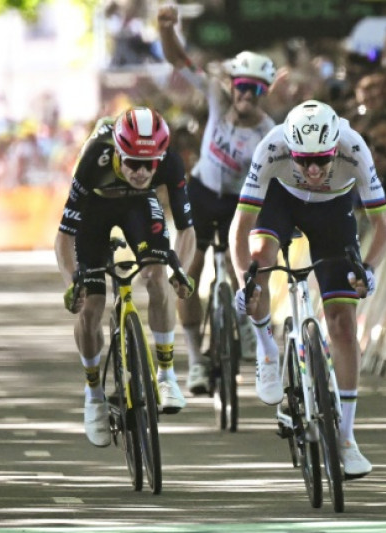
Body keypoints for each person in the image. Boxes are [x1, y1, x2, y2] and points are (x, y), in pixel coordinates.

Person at [230, 100, 386, 479]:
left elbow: (384, 226)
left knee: (342, 322)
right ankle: (268, 351)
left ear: (336, 146)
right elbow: (240, 227)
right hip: (280, 201)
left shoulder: (354, 147)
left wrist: (368, 269)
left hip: (333, 211)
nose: (314, 169)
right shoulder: (272, 147)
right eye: (303, 160)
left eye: (322, 159)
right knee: (261, 260)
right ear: (290, 150)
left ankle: (347, 438)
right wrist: (245, 277)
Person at [55, 106, 195, 447]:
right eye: (132, 162)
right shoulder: (94, 159)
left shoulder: (170, 164)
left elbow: (188, 232)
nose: (141, 171)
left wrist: (183, 274)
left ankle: (166, 374)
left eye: (149, 164)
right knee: (91, 308)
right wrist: (72, 282)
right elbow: (64, 236)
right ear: (117, 151)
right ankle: (93, 394)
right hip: (94, 212)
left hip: (138, 207)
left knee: (157, 277)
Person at [156, 4, 275, 395]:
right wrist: (166, 28)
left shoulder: (268, 131)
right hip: (202, 193)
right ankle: (196, 361)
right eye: (242, 85)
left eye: (256, 89)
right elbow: (177, 59)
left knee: (249, 270)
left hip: (240, 203)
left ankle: (252, 337)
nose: (247, 94)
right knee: (188, 274)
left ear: (265, 93)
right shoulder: (215, 97)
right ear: (232, 85)